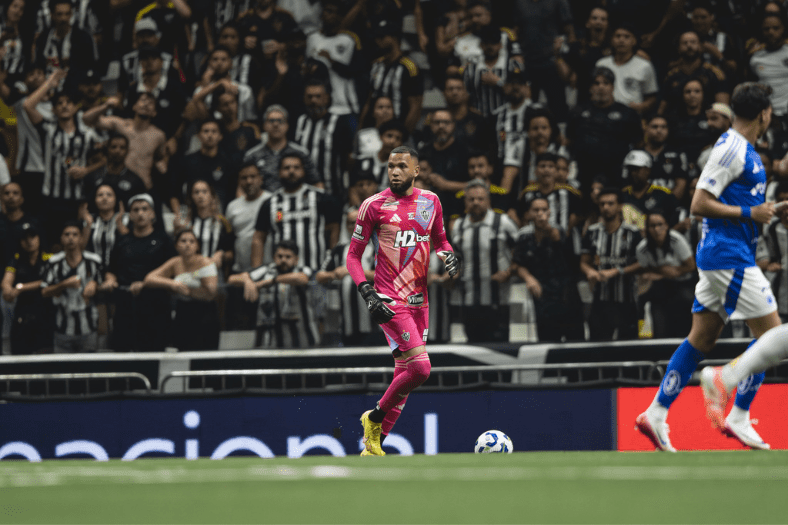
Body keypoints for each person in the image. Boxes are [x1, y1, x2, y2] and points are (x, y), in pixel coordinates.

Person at [636, 82, 778, 452]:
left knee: (702, 338)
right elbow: (698, 203)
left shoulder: (743, 150)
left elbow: (739, 205)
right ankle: (732, 399)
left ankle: (656, 412)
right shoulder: (732, 148)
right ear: (764, 114)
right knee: (774, 338)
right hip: (727, 256)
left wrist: (768, 213)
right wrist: (751, 212)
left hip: (725, 252)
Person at [347, 145, 459, 456]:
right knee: (422, 368)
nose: (395, 171)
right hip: (387, 298)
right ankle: (375, 417)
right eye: (391, 166)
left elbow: (440, 239)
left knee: (404, 374)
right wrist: (366, 291)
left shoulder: (431, 201)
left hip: (419, 300)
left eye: (401, 166)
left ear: (415, 171)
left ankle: (373, 448)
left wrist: (448, 255)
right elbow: (353, 257)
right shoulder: (373, 205)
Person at [100, 193, 175, 352]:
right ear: (130, 215)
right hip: (126, 305)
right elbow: (110, 269)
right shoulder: (122, 241)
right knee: (123, 355)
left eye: (144, 209)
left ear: (153, 214)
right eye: (136, 210)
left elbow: (174, 271)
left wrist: (146, 283)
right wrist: (110, 280)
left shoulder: (164, 240)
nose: (140, 213)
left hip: (155, 306)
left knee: (152, 354)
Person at [451, 179, 518, 342]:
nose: (476, 203)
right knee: (474, 351)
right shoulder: (458, 226)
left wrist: (509, 272)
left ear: (488, 201)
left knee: (500, 352)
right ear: (465, 202)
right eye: (471, 199)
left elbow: (520, 251)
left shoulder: (502, 222)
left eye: (480, 199)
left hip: (498, 301)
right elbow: (456, 258)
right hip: (469, 301)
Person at [251, 154, 341, 270]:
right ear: (279, 172)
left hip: (316, 271)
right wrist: (257, 270)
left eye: (296, 167)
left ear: (303, 171)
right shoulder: (270, 203)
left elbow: (334, 229)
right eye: (286, 168)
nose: (291, 171)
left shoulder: (321, 199)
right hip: (282, 274)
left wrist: (332, 263)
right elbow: (258, 238)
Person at [512, 197, 584, 342]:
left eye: (544, 210)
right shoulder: (524, 236)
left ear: (550, 212)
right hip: (543, 296)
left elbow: (572, 261)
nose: (540, 214)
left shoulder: (560, 231)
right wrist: (528, 278)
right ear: (529, 214)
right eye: (536, 210)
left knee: (575, 343)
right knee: (547, 342)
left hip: (566, 295)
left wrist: (551, 232)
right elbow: (517, 264)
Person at [230, 239, 318, 348]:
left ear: (296, 259)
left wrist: (271, 281)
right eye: (279, 256)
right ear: (274, 257)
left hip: (301, 336)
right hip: (269, 337)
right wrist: (247, 281)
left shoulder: (303, 270)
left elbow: (302, 279)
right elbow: (232, 279)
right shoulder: (266, 270)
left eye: (288, 257)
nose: (283, 260)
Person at [580, 187, 642, 341]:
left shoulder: (633, 233)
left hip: (627, 298)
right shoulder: (592, 232)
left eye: (610, 203)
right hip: (600, 299)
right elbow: (584, 262)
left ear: (620, 206)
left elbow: (642, 263)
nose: (606, 207)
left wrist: (617, 271)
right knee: (598, 345)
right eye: (602, 204)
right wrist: (590, 272)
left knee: (628, 346)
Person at [144, 229, 219, 351]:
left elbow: (211, 292)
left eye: (192, 241)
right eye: (183, 241)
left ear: (197, 246)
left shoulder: (205, 262)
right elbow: (149, 279)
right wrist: (172, 284)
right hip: (183, 312)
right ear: (176, 246)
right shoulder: (175, 262)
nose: (187, 244)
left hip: (205, 313)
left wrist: (190, 292)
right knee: (183, 350)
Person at [41, 221, 103, 353]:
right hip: (62, 328)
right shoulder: (54, 262)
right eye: (67, 234)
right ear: (61, 238)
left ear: (81, 238)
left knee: (88, 371)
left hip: (89, 327)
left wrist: (96, 285)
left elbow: (107, 284)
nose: (71, 238)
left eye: (75, 234)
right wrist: (64, 284)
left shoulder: (94, 261)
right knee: (62, 371)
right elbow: (44, 291)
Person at [636, 209, 696, 338]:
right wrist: (662, 272)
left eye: (660, 225)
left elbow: (691, 266)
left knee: (686, 299)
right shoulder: (642, 249)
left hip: (683, 281)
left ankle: (689, 338)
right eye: (652, 226)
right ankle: (646, 338)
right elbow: (646, 272)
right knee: (645, 302)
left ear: (666, 226)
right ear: (646, 229)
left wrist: (676, 271)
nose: (657, 229)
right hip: (660, 284)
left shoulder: (676, 240)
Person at [1, 222, 52, 354]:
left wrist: (21, 288)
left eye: (33, 237)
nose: (29, 241)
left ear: (39, 238)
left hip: (45, 313)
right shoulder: (16, 259)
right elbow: (6, 281)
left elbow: (49, 281)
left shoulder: (49, 258)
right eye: (25, 238)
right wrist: (7, 290)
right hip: (22, 313)